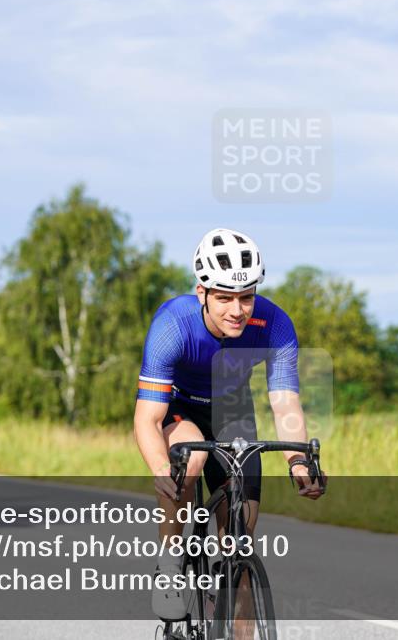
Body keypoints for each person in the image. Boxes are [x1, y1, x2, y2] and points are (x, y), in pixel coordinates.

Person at [133, 228, 324, 622]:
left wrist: (298, 463)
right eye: (224, 298)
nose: (237, 310)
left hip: (233, 410)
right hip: (181, 408)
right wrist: (159, 470)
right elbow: (148, 417)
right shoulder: (173, 324)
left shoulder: (274, 325)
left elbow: (285, 402)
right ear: (202, 292)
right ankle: (170, 563)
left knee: (239, 542)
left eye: (246, 297)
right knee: (189, 460)